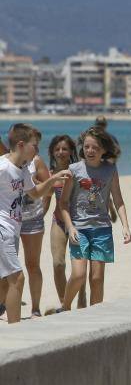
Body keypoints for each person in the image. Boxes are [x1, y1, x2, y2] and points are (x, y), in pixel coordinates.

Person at [0, 124, 70, 323]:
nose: (38, 150)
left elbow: (36, 193)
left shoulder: (22, 170)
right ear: (21, 145)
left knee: (7, 281)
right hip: (2, 229)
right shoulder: (3, 167)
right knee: (17, 278)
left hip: (13, 229)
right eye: (35, 145)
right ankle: (15, 327)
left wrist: (53, 178)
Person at [58, 126, 131, 309]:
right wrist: (70, 227)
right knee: (78, 275)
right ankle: (66, 306)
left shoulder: (110, 170)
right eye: (86, 147)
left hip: (102, 229)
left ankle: (94, 313)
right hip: (79, 229)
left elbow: (118, 200)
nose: (90, 151)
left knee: (97, 278)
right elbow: (63, 203)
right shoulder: (73, 170)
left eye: (95, 148)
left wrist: (125, 226)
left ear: (104, 150)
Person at [46, 135, 86, 308]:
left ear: (71, 151)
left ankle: (82, 297)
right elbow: (45, 200)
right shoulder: (49, 174)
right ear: (52, 152)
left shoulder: (78, 170)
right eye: (57, 149)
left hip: (80, 223)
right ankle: (64, 303)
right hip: (59, 221)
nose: (61, 152)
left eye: (64, 149)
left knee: (79, 268)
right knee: (58, 264)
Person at [18, 153, 51, 317]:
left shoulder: (36, 161)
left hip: (32, 219)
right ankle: (5, 305)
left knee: (32, 265)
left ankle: (35, 309)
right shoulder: (6, 159)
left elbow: (49, 190)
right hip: (9, 220)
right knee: (7, 266)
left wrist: (42, 212)